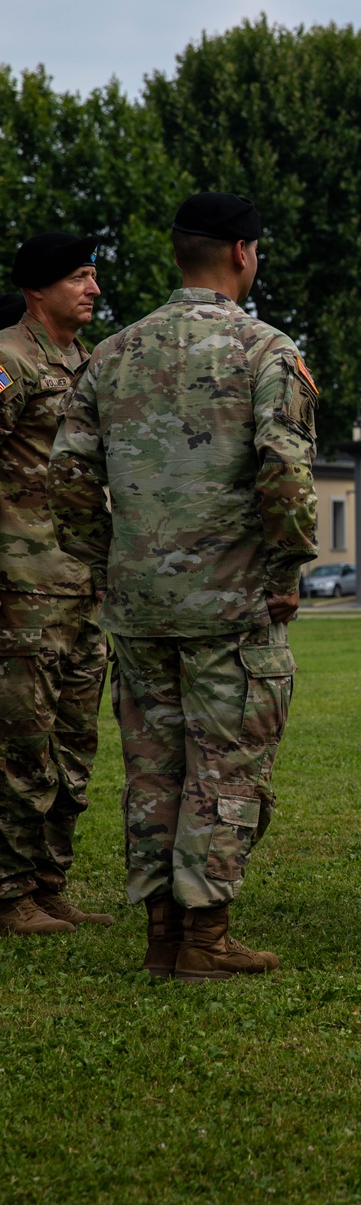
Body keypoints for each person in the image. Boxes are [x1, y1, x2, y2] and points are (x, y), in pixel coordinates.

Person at [48, 192, 318, 981]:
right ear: (242, 253)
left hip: (138, 606)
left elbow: (65, 475)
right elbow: (286, 471)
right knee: (227, 768)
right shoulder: (266, 349)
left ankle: (164, 933)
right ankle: (204, 937)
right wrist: (286, 568)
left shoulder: (113, 353)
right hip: (232, 606)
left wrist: (104, 565)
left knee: (154, 770)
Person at [0, 233, 111, 938]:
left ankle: (50, 882)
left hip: (83, 586)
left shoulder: (89, 364)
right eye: (79, 276)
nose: (93, 288)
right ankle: (9, 894)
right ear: (39, 290)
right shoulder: (7, 359)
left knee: (73, 745)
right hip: (20, 587)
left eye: (94, 275)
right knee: (21, 744)